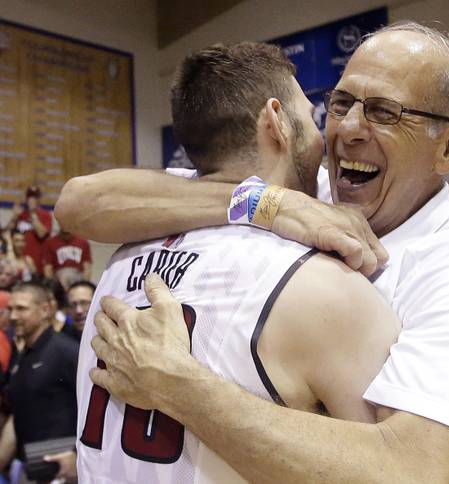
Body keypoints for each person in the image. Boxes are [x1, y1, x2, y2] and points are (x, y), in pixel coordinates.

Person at [59, 22, 449, 481]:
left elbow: (419, 470)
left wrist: (178, 384)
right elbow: (81, 202)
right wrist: (270, 204)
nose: (347, 129)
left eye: (383, 111)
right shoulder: (306, 190)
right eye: (340, 103)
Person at [76, 41, 402, 483]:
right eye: (308, 116)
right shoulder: (323, 285)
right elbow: (407, 466)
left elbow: (85, 197)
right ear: (276, 121)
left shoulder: (122, 255)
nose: (321, 137)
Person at [0, 282, 78, 481]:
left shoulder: (66, 352)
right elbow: (18, 412)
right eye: (10, 309)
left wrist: (77, 456)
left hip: (63, 471)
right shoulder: (22, 354)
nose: (13, 316)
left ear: (45, 310)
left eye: (21, 309)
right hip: (32, 467)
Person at [6, 186, 52, 275]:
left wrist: (33, 215)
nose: (32, 200)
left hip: (37, 260)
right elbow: (7, 233)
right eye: (30, 197)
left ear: (39, 199)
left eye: (35, 197)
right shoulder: (21, 214)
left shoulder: (45, 215)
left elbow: (42, 234)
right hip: (19, 260)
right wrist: (14, 217)